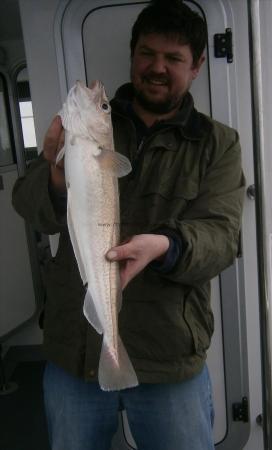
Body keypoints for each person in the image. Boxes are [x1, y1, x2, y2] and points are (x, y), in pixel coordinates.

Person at [12, 1, 245, 449]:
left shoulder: (218, 143)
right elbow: (28, 205)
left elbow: (222, 237)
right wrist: (56, 176)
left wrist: (166, 246)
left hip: (168, 354)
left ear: (197, 65)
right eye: (147, 53)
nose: (157, 67)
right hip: (74, 351)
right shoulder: (88, 130)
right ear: (133, 54)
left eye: (173, 58)